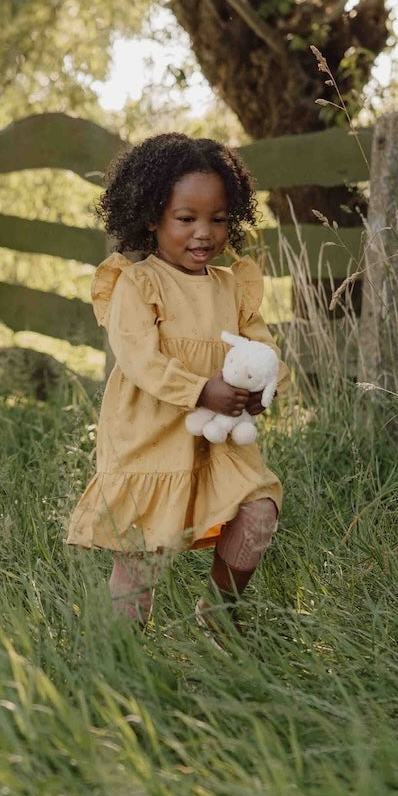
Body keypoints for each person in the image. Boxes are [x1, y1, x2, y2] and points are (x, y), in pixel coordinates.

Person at [66, 133, 288, 640]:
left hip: (218, 438)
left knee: (259, 509)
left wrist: (262, 384)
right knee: (143, 556)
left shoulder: (232, 284)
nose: (204, 233)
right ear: (152, 217)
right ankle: (117, 651)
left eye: (218, 219)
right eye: (186, 219)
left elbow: (260, 345)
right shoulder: (137, 283)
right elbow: (140, 359)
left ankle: (218, 615)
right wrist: (199, 389)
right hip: (152, 437)